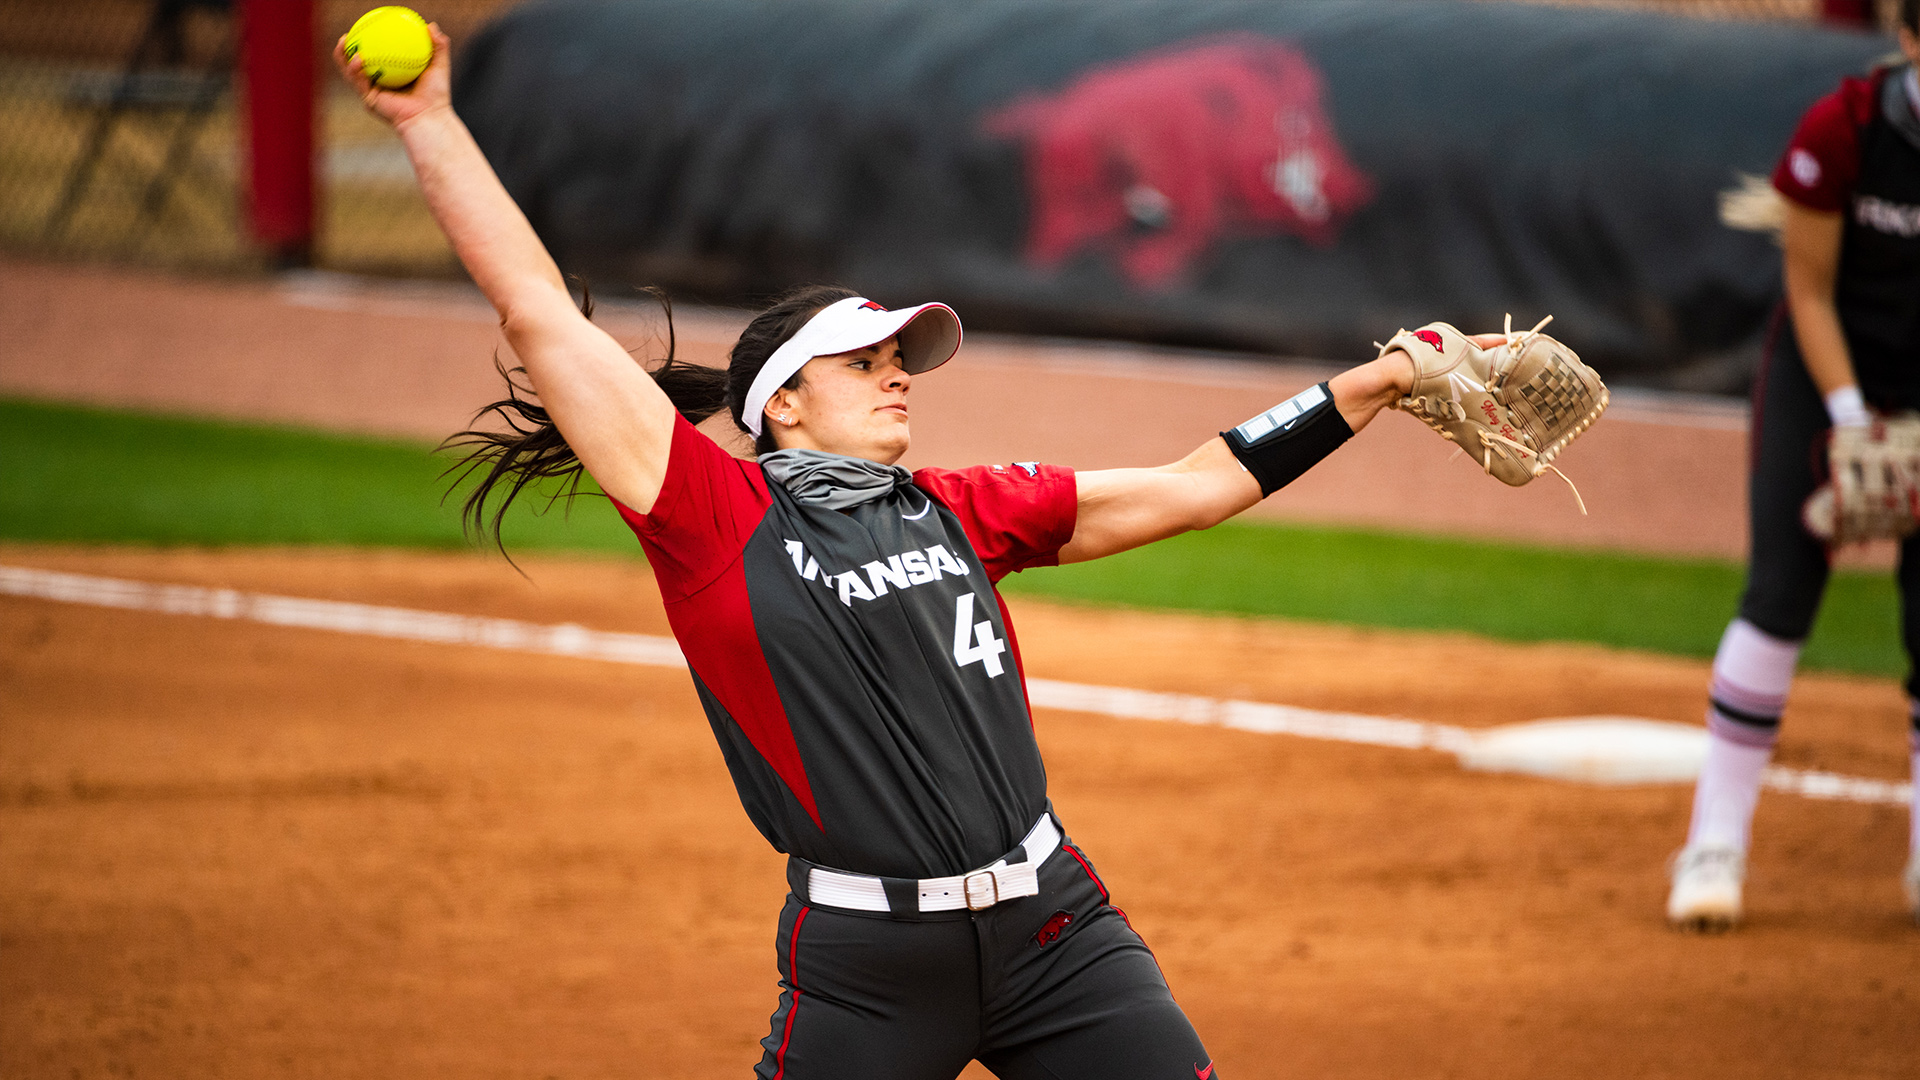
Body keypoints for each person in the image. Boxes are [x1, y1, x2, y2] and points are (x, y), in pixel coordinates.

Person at [336, 27, 1535, 1080]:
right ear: (782, 407)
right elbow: (541, 314)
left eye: (900, 353)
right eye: (862, 362)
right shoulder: (709, 516)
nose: (897, 371)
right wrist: (433, 120)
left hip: (1057, 931)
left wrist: (1371, 383)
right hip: (867, 971)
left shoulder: (969, 508)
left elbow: (1192, 484)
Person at [1667, 0, 1920, 932]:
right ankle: (1713, 844)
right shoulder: (1844, 128)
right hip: (1826, 382)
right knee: (1778, 596)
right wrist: (1855, 418)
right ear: (1908, 40)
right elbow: (1808, 291)